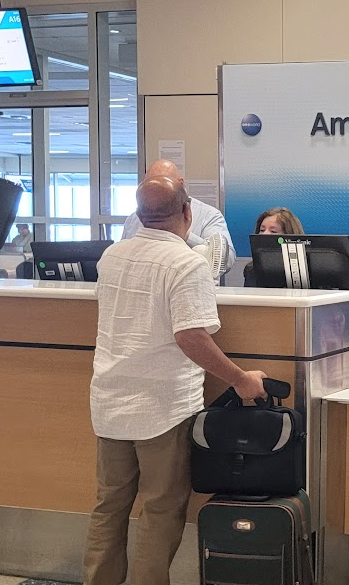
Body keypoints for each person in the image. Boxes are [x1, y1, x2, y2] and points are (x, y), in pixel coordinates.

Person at [83, 175, 268, 585]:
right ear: (187, 212)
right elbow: (190, 337)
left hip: (110, 402)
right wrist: (240, 379)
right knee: (161, 509)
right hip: (161, 408)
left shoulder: (112, 256)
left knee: (109, 506)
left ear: (138, 215)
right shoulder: (186, 263)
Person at [121, 160, 235, 275]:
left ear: (181, 184)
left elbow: (227, 261)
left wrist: (187, 236)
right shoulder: (133, 220)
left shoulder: (208, 215)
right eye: (150, 187)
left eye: (163, 187)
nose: (155, 193)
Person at [243, 207, 305, 286]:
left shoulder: (303, 272)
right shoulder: (251, 270)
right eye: (262, 230)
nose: (264, 234)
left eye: (273, 231)